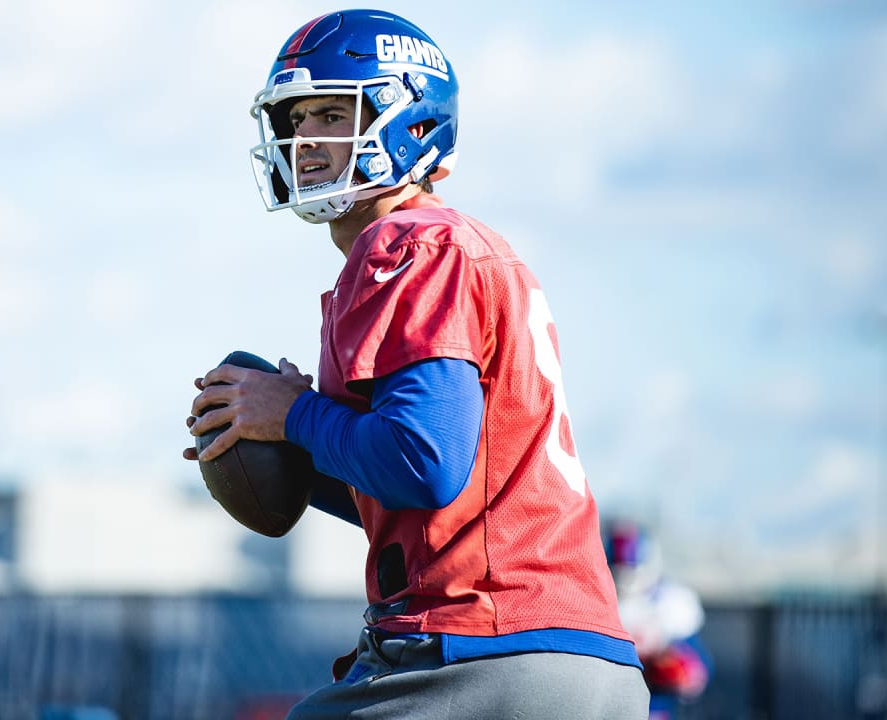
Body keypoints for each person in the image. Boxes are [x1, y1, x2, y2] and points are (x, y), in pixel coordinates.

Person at [184, 9, 649, 718]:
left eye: (335, 112)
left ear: (412, 124)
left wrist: (295, 414)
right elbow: (432, 491)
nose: (306, 138)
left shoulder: (410, 245)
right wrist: (282, 444)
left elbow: (426, 462)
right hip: (572, 658)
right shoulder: (450, 247)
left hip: (487, 649)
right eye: (298, 117)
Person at [604, 519, 712, 720]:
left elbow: (697, 673)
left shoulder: (672, 603)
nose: (626, 580)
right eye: (620, 573)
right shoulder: (597, 600)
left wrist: (673, 666)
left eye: (632, 572)